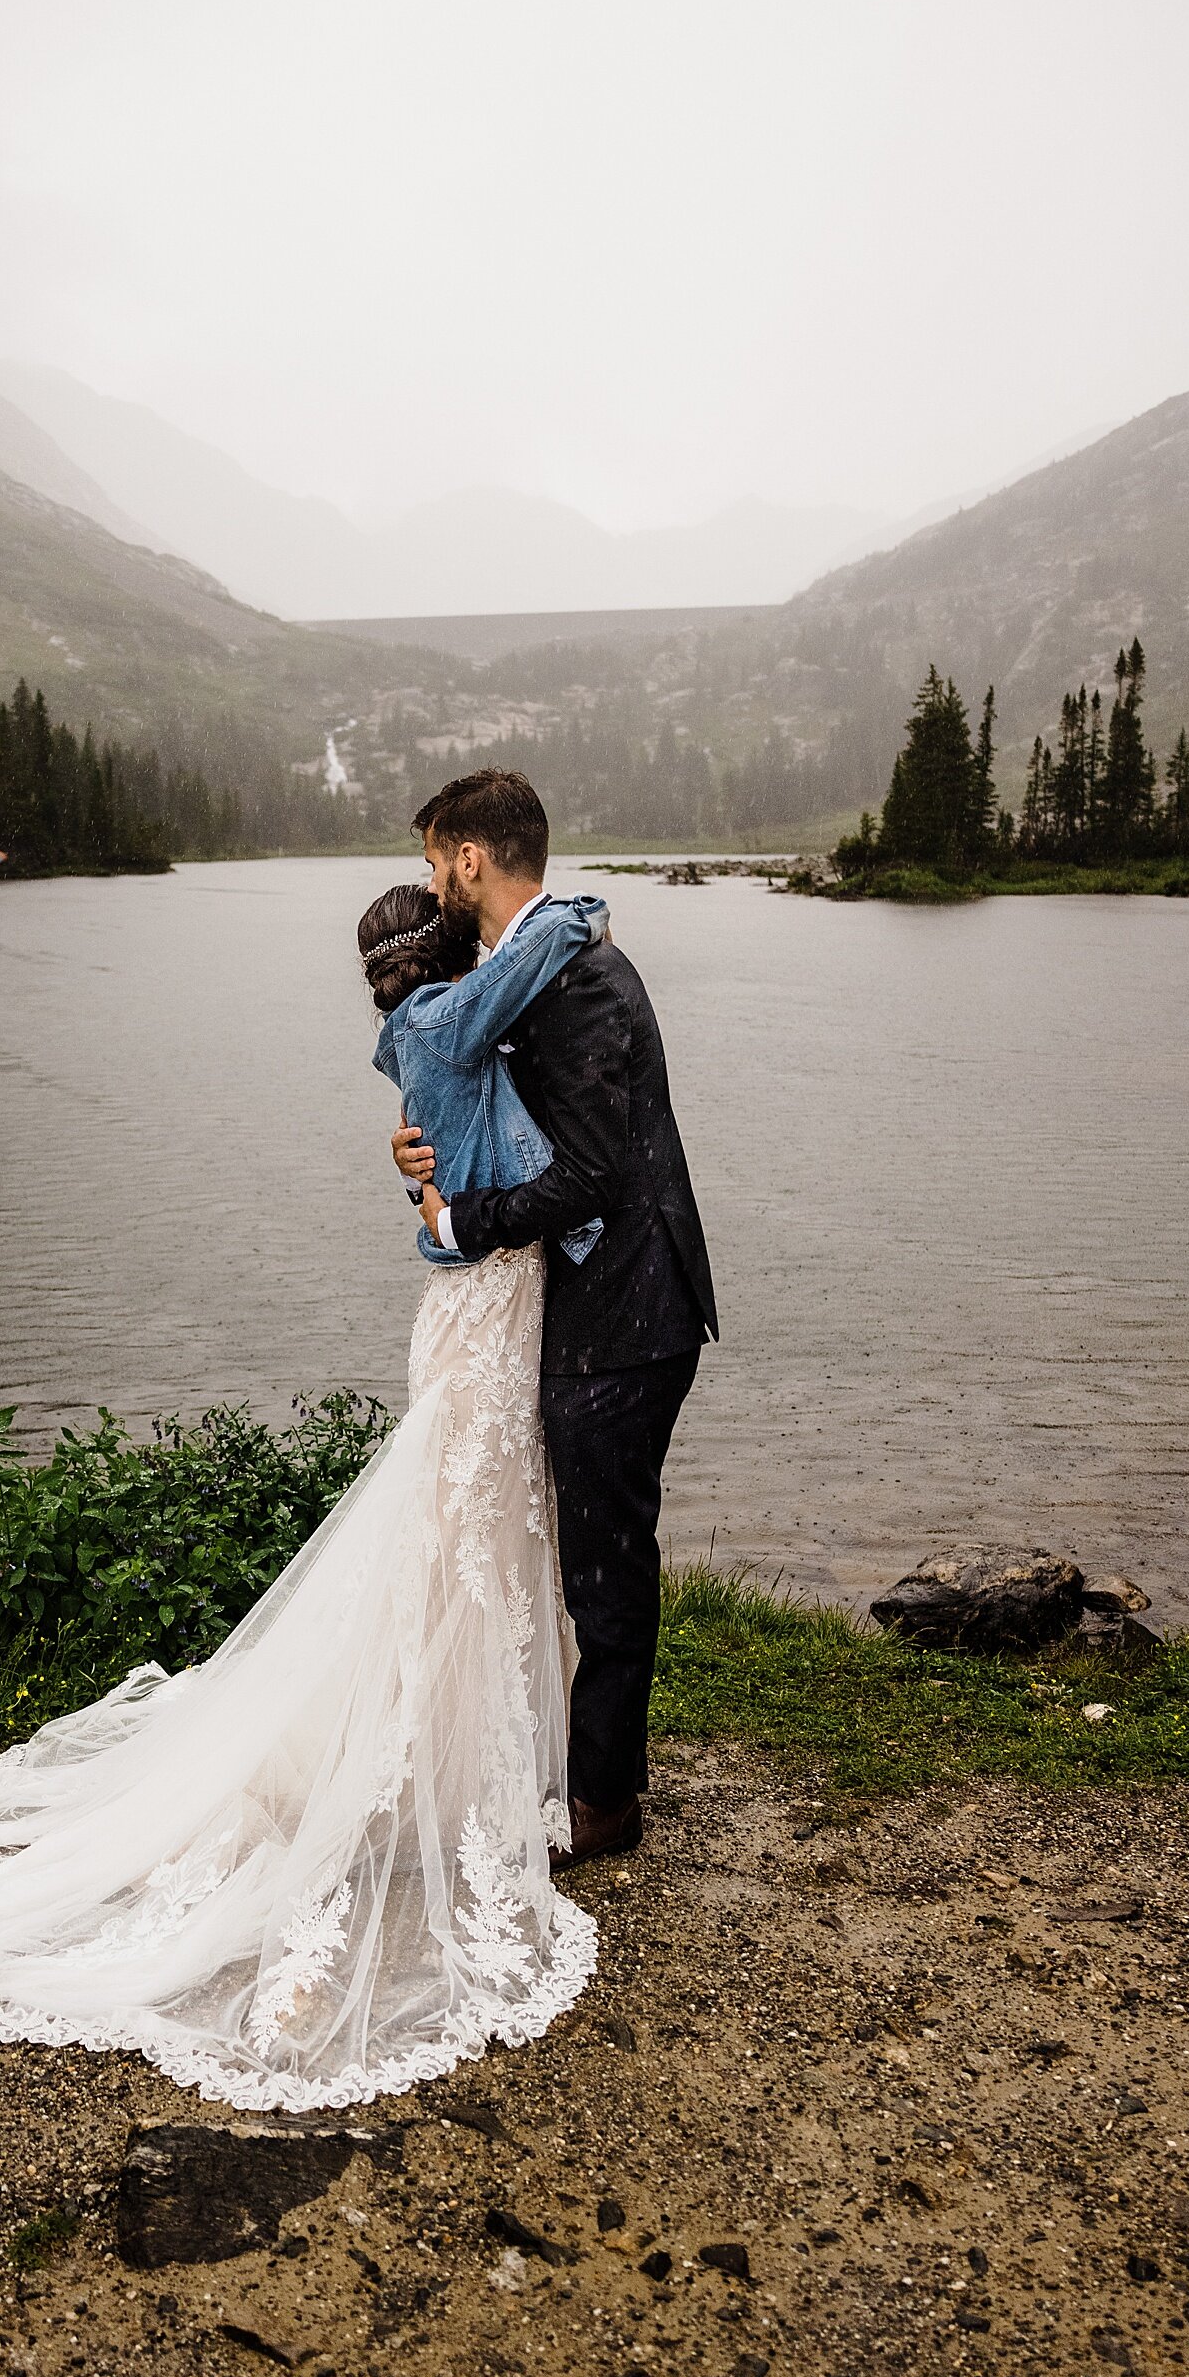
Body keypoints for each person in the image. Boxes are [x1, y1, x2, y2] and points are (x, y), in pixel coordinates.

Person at [0, 875, 610, 2108]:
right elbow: (524, 970)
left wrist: (434, 1202)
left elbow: (458, 1160)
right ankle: (404, 1764)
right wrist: (575, 910)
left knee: (480, 1535)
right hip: (487, 1307)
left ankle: (457, 1753)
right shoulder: (444, 1021)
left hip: (493, 1292)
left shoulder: (426, 1033)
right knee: (454, 1533)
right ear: (438, 956)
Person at [394, 768, 717, 1868]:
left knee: (606, 1565)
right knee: (584, 1559)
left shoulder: (579, 980)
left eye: (438, 858)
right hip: (592, 1307)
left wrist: (462, 1218)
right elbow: (502, 1116)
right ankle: (580, 1775)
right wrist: (422, 1157)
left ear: (472, 859)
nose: (431, 879)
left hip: (626, 1313)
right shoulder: (532, 969)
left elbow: (587, 1172)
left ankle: (604, 1808)